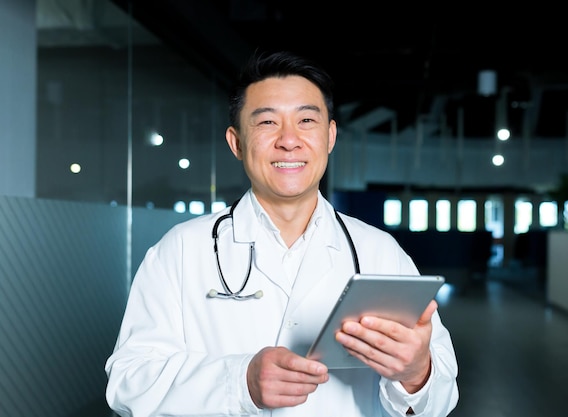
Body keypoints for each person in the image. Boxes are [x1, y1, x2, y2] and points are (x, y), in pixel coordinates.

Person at [105, 50, 459, 416]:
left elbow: (442, 396)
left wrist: (417, 374)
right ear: (237, 142)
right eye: (267, 123)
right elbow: (128, 382)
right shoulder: (180, 250)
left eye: (306, 120)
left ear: (330, 136)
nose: (289, 140)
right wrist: (240, 382)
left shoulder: (380, 252)